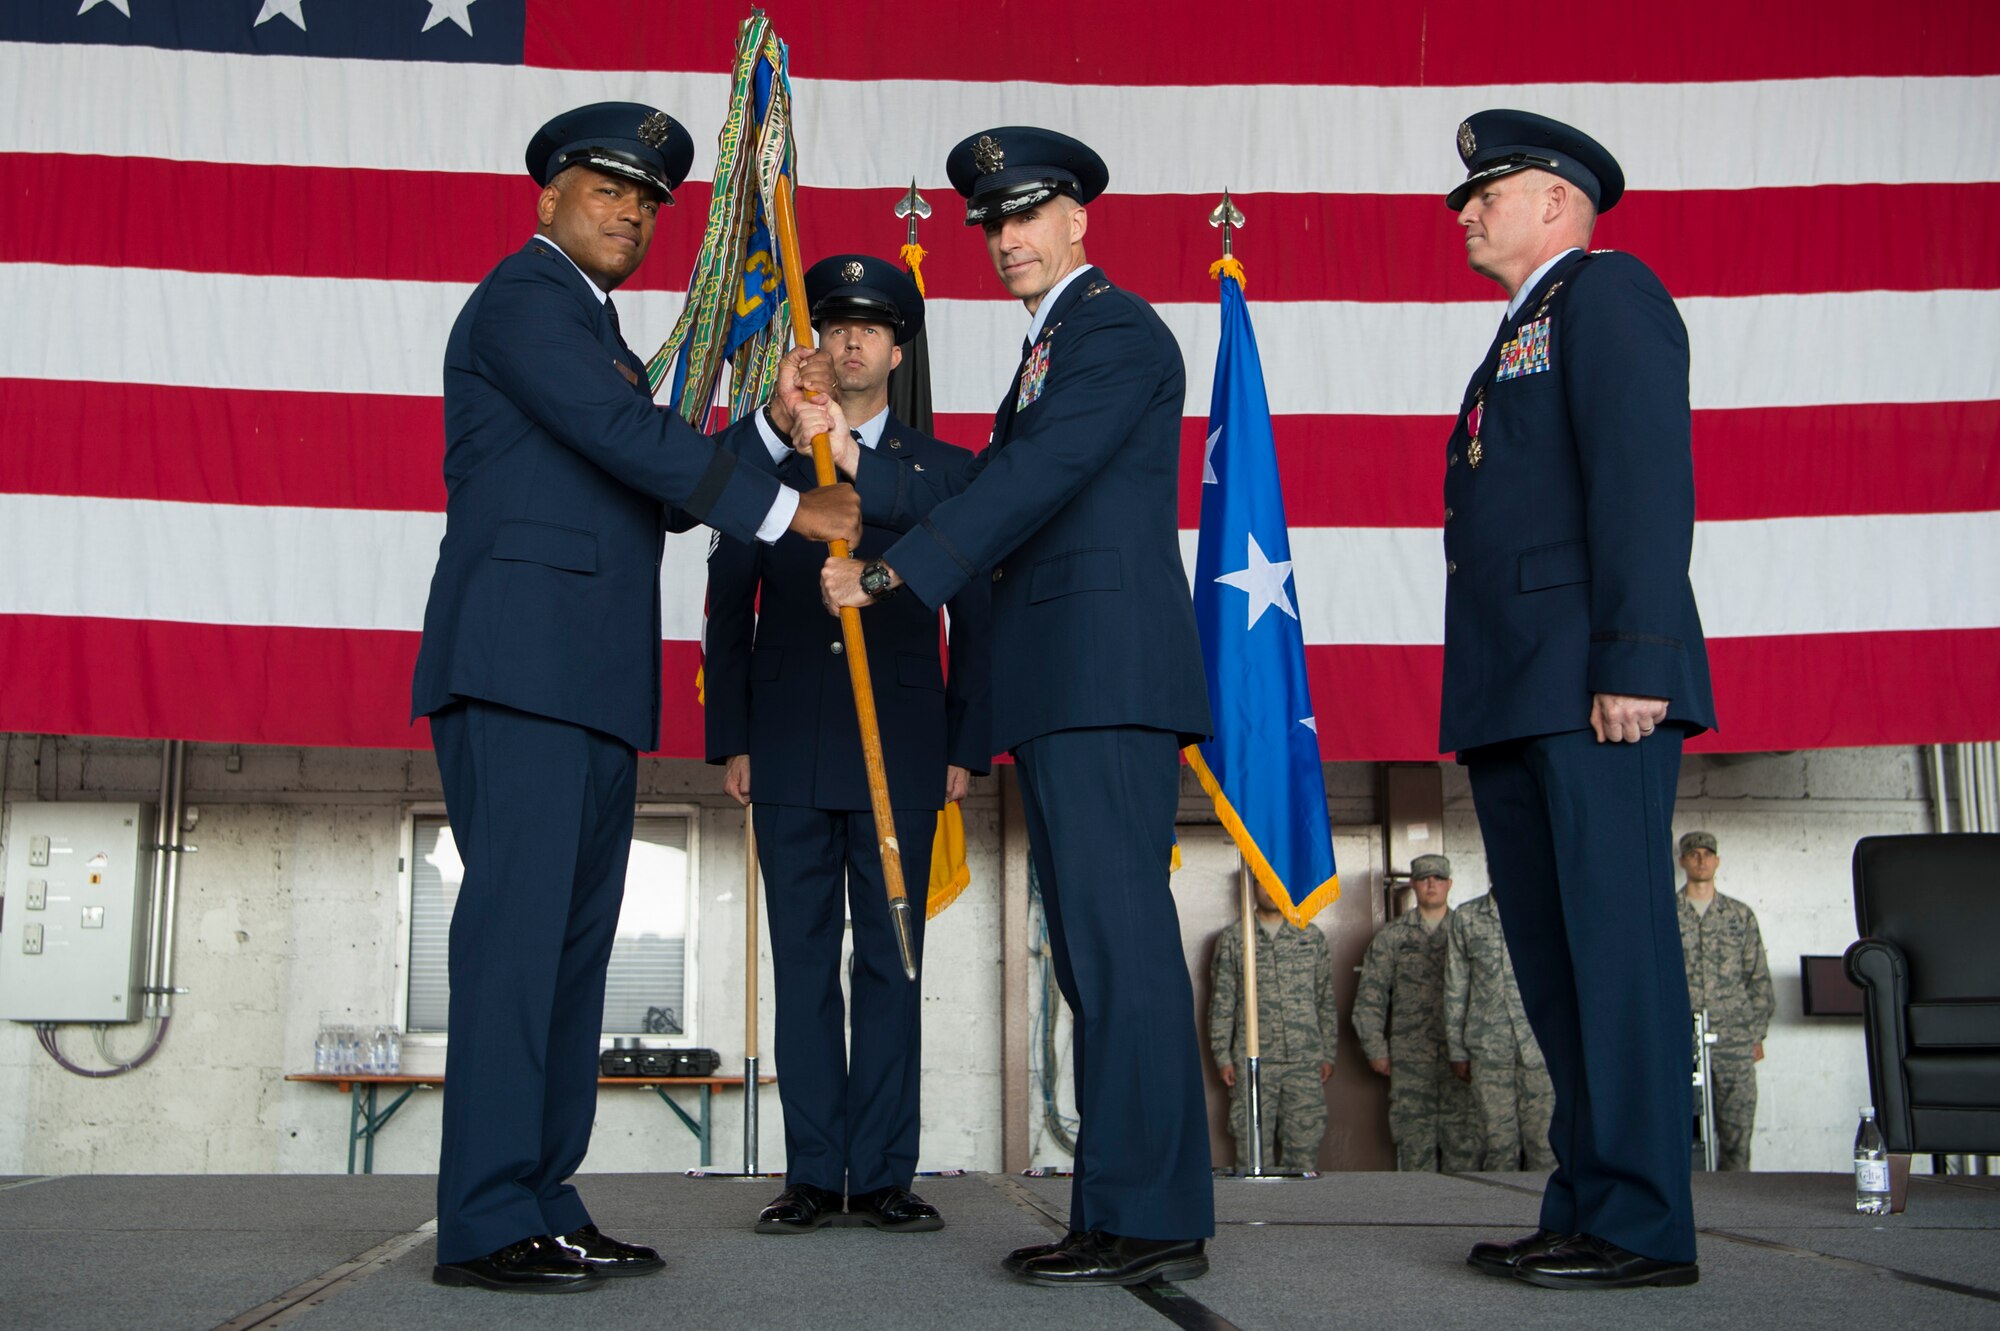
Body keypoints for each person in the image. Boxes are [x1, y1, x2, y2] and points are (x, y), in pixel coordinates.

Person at [410, 102, 863, 1295]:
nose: (629, 210)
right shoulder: (524, 298)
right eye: (604, 185)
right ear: (544, 196)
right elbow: (627, 434)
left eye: (650, 199)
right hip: (519, 670)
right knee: (516, 949)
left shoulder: (597, 330)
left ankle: (539, 1198)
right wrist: (783, 509)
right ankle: (484, 1217)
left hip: (588, 679)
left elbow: (649, 474)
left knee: (566, 958)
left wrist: (767, 425)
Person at [805, 126, 1215, 1288]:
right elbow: (986, 482)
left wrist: (892, 570)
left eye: (1026, 213)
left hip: (1103, 673)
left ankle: (1147, 1214)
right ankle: (1126, 1205)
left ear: (1079, 219)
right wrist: (854, 453)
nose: (1005, 237)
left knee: (1118, 949)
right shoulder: (1050, 351)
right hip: (1065, 676)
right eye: (990, 222)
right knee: (1092, 952)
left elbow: (1033, 483)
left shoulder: (1114, 331)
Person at [1441, 110, 1715, 1290]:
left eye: (1483, 190)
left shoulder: (1605, 294)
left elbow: (1643, 476)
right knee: (1555, 964)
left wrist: (1636, 658)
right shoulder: (1519, 328)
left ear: (1554, 198)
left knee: (1615, 953)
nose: (1464, 210)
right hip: (1520, 685)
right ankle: (1587, 1200)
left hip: (1594, 682)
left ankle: (1645, 1220)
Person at [705, 253, 992, 1236]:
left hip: (904, 747)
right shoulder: (764, 473)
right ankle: (810, 1171)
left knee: (891, 961)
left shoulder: (941, 468)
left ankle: (880, 1173)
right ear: (816, 345)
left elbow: (978, 609)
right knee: (799, 962)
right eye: (834, 324)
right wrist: (731, 737)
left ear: (897, 348)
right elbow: (724, 605)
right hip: (785, 743)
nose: (851, 339)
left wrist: (965, 738)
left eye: (870, 326)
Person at [1352, 854, 1480, 1173]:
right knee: (1414, 1151)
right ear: (1414, 885)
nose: (1431, 884)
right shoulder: (1393, 936)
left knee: (1465, 1150)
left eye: (1438, 878)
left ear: (1449, 884)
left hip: (1461, 1060)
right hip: (1411, 1062)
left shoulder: (1465, 932)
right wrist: (1375, 1048)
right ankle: (1419, 1221)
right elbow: (1371, 994)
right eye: (1424, 879)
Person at [1207, 881, 1339, 1171]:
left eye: (1277, 881)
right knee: (1252, 1154)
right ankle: (1259, 1215)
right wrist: (1222, 1056)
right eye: (1263, 882)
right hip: (1253, 1062)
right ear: (1252, 887)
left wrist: (1328, 1053)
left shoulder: (1311, 936)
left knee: (1303, 1153)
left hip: (1304, 1062)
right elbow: (1223, 1002)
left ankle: (1300, 1216)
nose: (1270, 889)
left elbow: (1324, 999)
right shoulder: (1235, 938)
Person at [1676, 831, 1774, 1171]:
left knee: (1736, 1133)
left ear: (1717, 861)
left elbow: (1757, 977)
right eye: (1693, 854)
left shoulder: (1738, 915)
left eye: (1707, 853)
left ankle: (1738, 1210)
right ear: (1682, 861)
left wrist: (1756, 1034)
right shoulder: (1665, 914)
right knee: (1679, 1134)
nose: (1701, 860)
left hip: (1732, 1036)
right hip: (1679, 1037)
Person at [1444, 881, 1555, 1171]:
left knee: (1545, 1146)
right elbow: (1456, 985)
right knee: (1499, 1146)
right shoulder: (1467, 917)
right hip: (1488, 1049)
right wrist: (1457, 1049)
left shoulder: (1545, 912)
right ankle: (1502, 1213)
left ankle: (1547, 1214)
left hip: (1540, 1047)